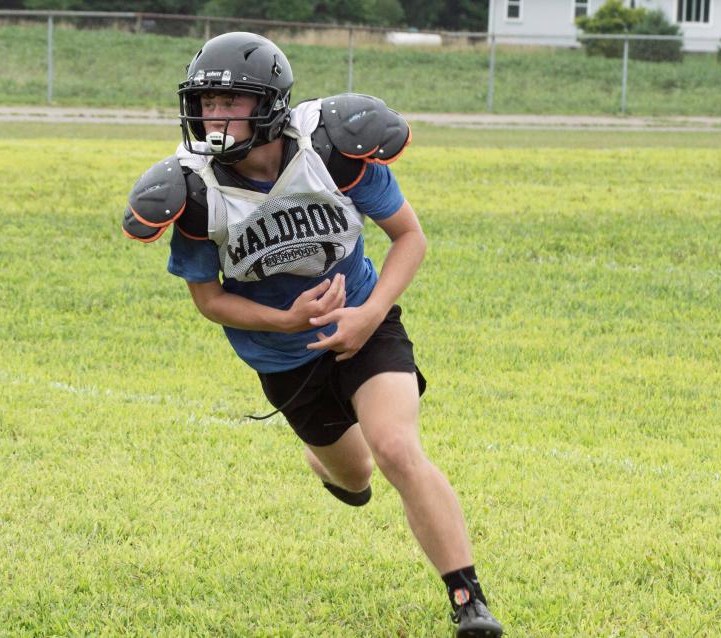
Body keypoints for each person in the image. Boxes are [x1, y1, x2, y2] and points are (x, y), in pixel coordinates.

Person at [123, 31, 503, 638]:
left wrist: (370, 312)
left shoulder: (330, 149)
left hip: (363, 323)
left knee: (397, 448)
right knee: (355, 477)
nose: (213, 116)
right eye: (206, 103)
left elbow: (411, 238)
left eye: (230, 103)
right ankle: (328, 464)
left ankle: (469, 601)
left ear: (270, 103)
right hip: (284, 355)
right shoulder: (194, 189)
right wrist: (287, 320)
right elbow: (208, 299)